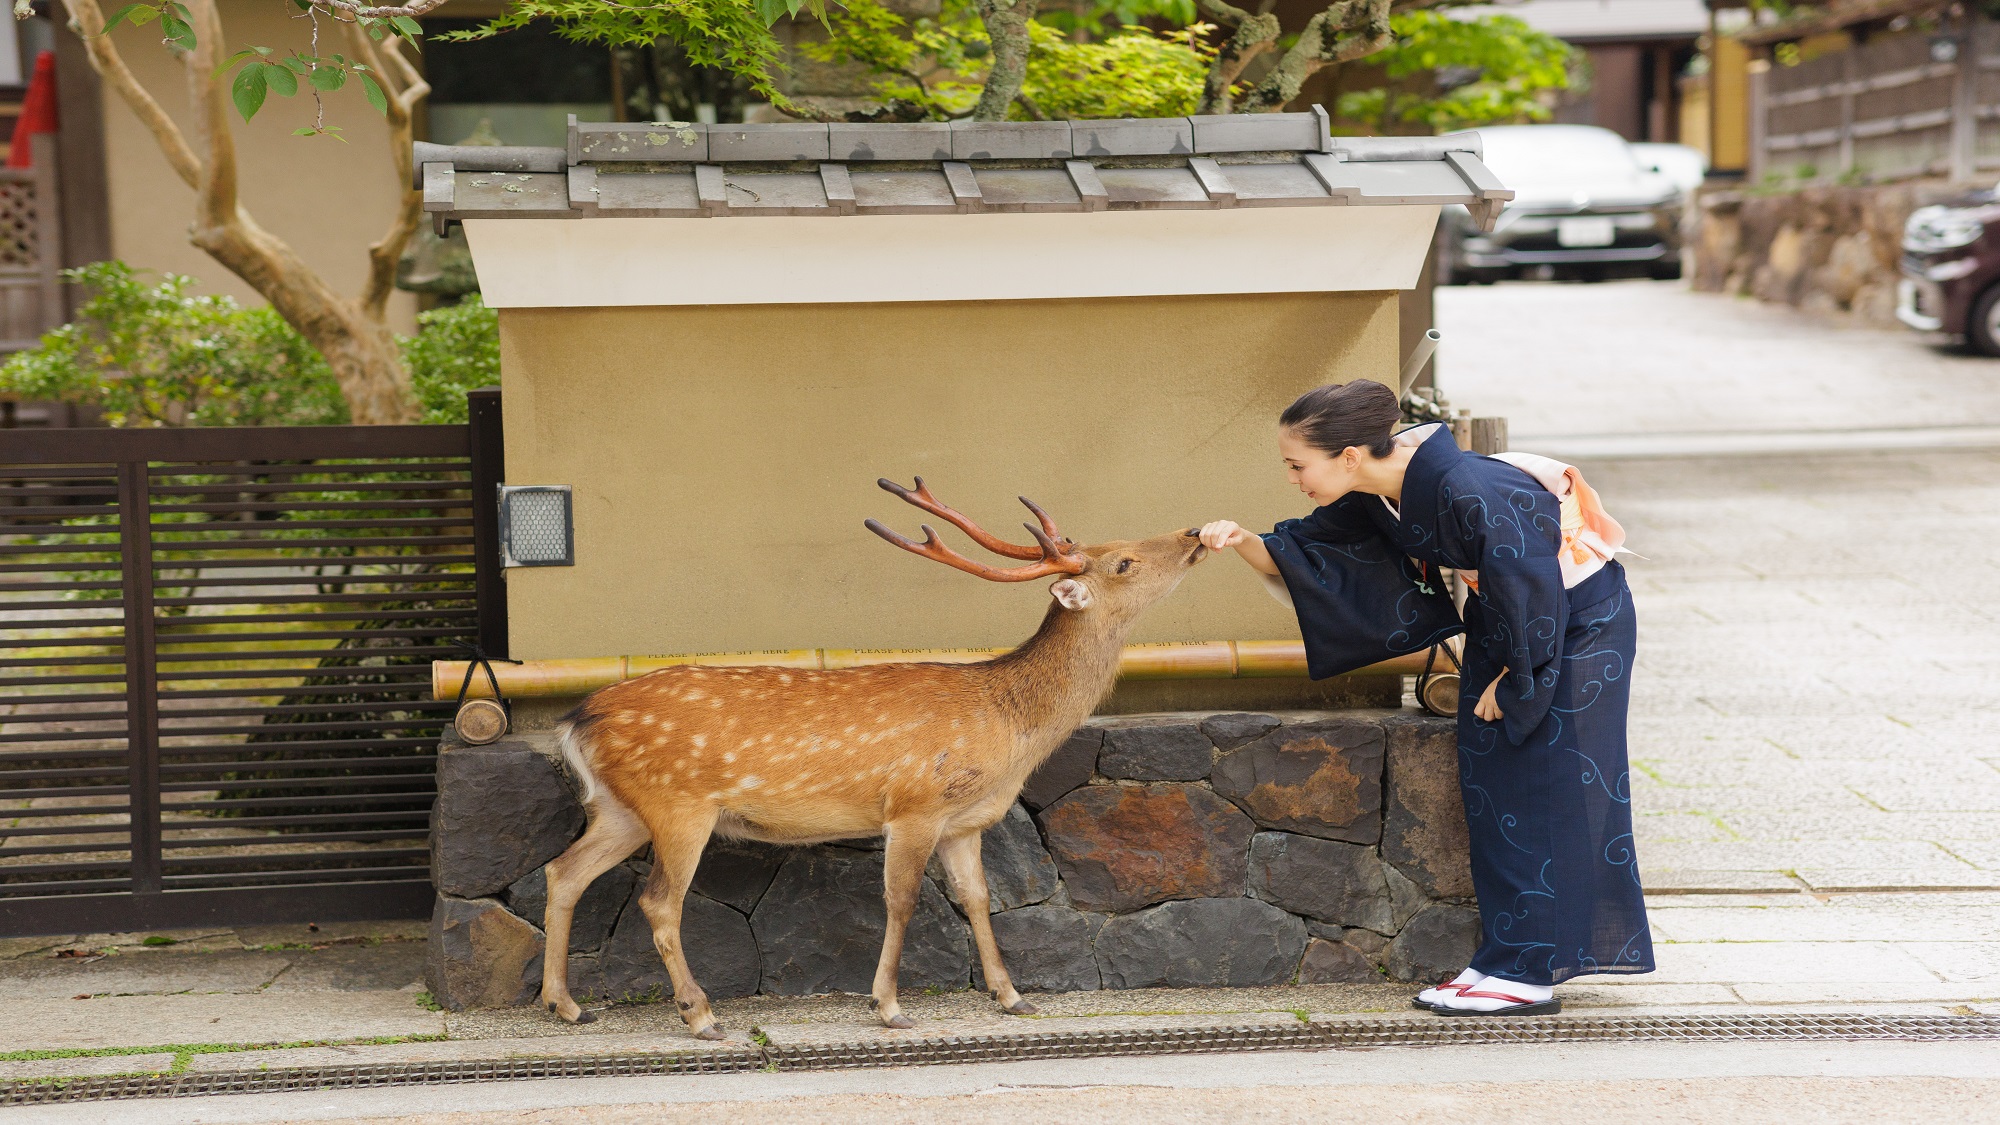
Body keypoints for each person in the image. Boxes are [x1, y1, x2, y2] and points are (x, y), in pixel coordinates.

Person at [1199, 380, 1653, 1016]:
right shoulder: (1381, 493)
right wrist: (1238, 539)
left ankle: (1532, 970)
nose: (1294, 478)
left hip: (1575, 625)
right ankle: (1504, 957)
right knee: (1495, 789)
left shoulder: (1470, 488)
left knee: (1547, 783)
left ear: (1350, 454)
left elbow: (1535, 582)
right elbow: (1301, 554)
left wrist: (1519, 678)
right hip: (1516, 626)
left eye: (1297, 465)